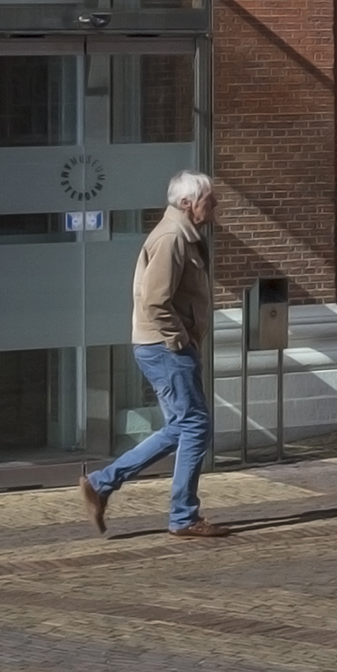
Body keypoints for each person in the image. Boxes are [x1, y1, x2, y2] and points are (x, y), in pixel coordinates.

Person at [83, 171, 230, 539]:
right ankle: (183, 516)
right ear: (186, 203)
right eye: (208, 200)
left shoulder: (184, 235)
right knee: (196, 425)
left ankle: (102, 484)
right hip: (165, 348)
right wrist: (179, 341)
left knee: (181, 427)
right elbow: (154, 301)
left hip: (164, 347)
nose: (214, 206)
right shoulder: (170, 238)